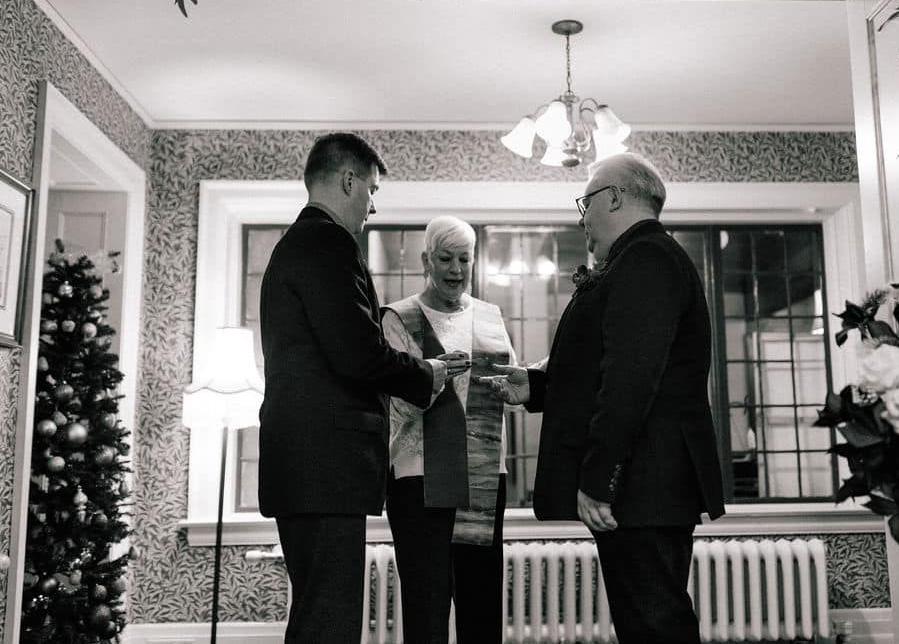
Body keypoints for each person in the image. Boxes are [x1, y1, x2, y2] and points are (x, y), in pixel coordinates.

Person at [482, 153, 726, 644]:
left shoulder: (648, 259)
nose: (582, 217)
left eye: (586, 202)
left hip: (643, 485)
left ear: (614, 196)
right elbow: (606, 367)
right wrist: (538, 386)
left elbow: (630, 378)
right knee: (645, 624)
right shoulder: (639, 260)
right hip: (643, 487)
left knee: (656, 626)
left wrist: (598, 479)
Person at [258, 133, 470, 643]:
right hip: (324, 466)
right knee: (328, 623)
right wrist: (428, 374)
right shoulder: (328, 244)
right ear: (348, 180)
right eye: (372, 189)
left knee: (315, 616)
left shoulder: (295, 245)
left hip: (304, 467)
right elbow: (358, 353)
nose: (373, 205)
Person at [382, 215, 514, 644]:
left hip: (482, 480)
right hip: (418, 486)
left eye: (464, 259)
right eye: (445, 258)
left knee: (482, 608)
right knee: (427, 609)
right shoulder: (397, 319)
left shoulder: (491, 318)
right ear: (426, 259)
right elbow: (391, 411)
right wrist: (434, 377)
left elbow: (509, 389)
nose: (456, 270)